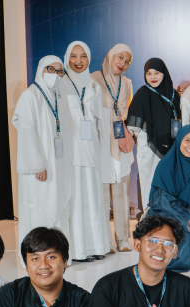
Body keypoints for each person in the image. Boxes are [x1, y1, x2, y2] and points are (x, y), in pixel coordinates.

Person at [12, 55, 73, 266]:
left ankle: (57, 255)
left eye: (59, 71)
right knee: (39, 205)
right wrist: (37, 164)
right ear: (41, 69)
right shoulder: (30, 96)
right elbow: (27, 134)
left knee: (57, 202)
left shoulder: (57, 97)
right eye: (51, 69)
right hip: (40, 168)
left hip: (57, 165)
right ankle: (36, 256)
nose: (55, 75)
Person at [59, 40, 112, 262]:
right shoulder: (60, 84)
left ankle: (96, 246)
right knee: (76, 198)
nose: (79, 61)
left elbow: (99, 122)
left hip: (90, 150)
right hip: (70, 153)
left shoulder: (93, 86)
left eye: (83, 56)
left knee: (92, 198)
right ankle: (77, 250)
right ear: (67, 58)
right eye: (74, 56)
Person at [145, 124, 190, 272]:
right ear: (179, 140)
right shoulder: (165, 165)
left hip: (186, 217)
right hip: (163, 213)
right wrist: (188, 219)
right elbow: (162, 199)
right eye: (187, 140)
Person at [91, 44, 135, 253]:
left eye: (127, 61)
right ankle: (105, 239)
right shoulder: (93, 79)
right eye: (120, 58)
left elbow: (128, 112)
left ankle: (123, 238)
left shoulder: (127, 83)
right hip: (100, 141)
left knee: (122, 191)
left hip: (119, 142)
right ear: (110, 56)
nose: (122, 64)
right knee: (100, 194)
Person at [127, 58, 182, 213]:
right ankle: (150, 218)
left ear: (164, 73)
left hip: (171, 147)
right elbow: (132, 124)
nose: (152, 77)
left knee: (169, 183)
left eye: (156, 73)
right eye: (149, 73)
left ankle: (168, 219)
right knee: (149, 182)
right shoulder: (142, 93)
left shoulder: (173, 94)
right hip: (149, 148)